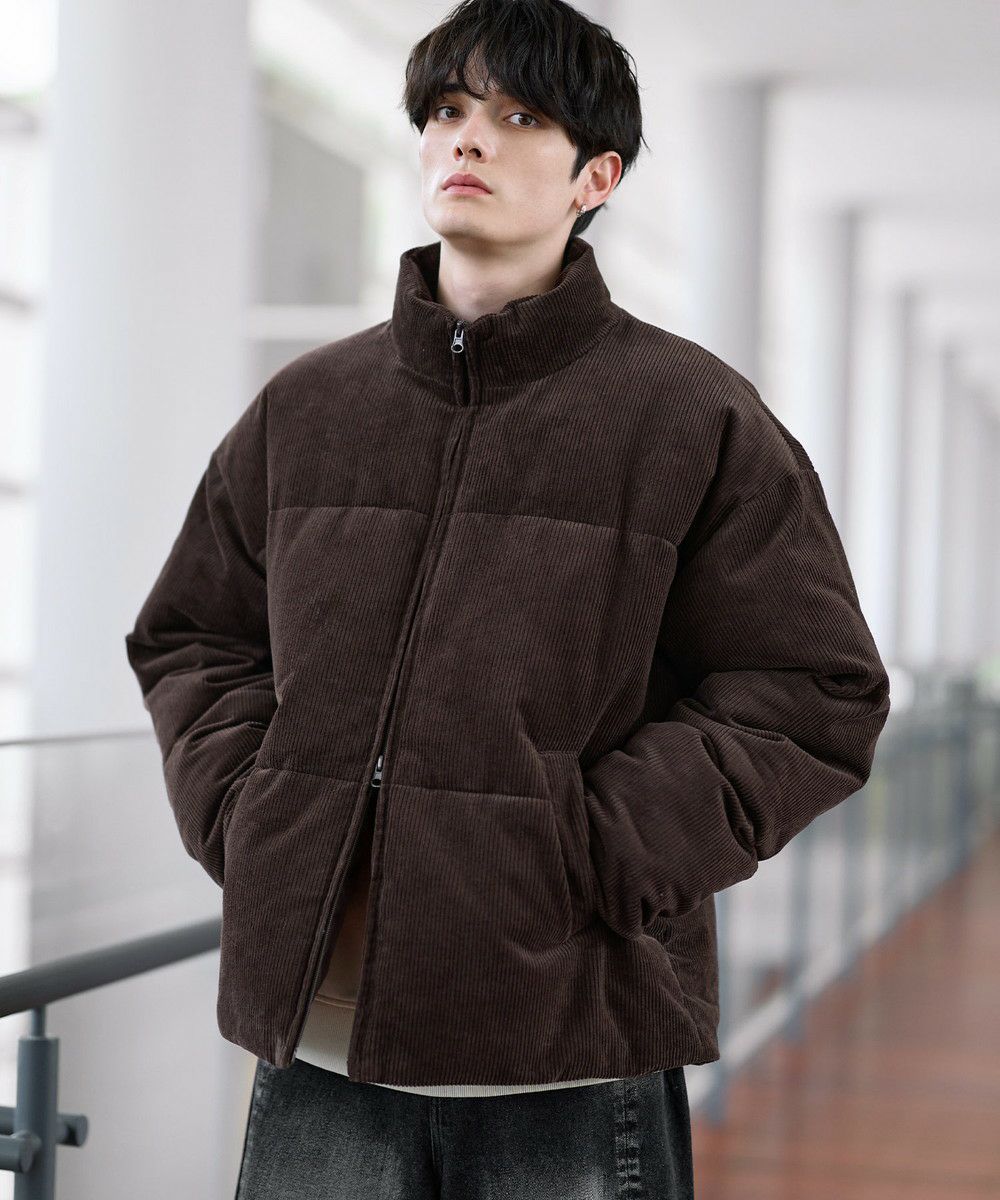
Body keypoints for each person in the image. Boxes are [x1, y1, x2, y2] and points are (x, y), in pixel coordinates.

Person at [124, 1, 891, 1197]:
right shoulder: (306, 409)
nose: (467, 138)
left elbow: (815, 693)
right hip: (316, 1053)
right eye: (446, 111)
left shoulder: (692, 417)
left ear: (597, 177)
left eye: (518, 116)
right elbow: (193, 636)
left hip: (568, 1052)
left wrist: (591, 852)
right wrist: (250, 812)